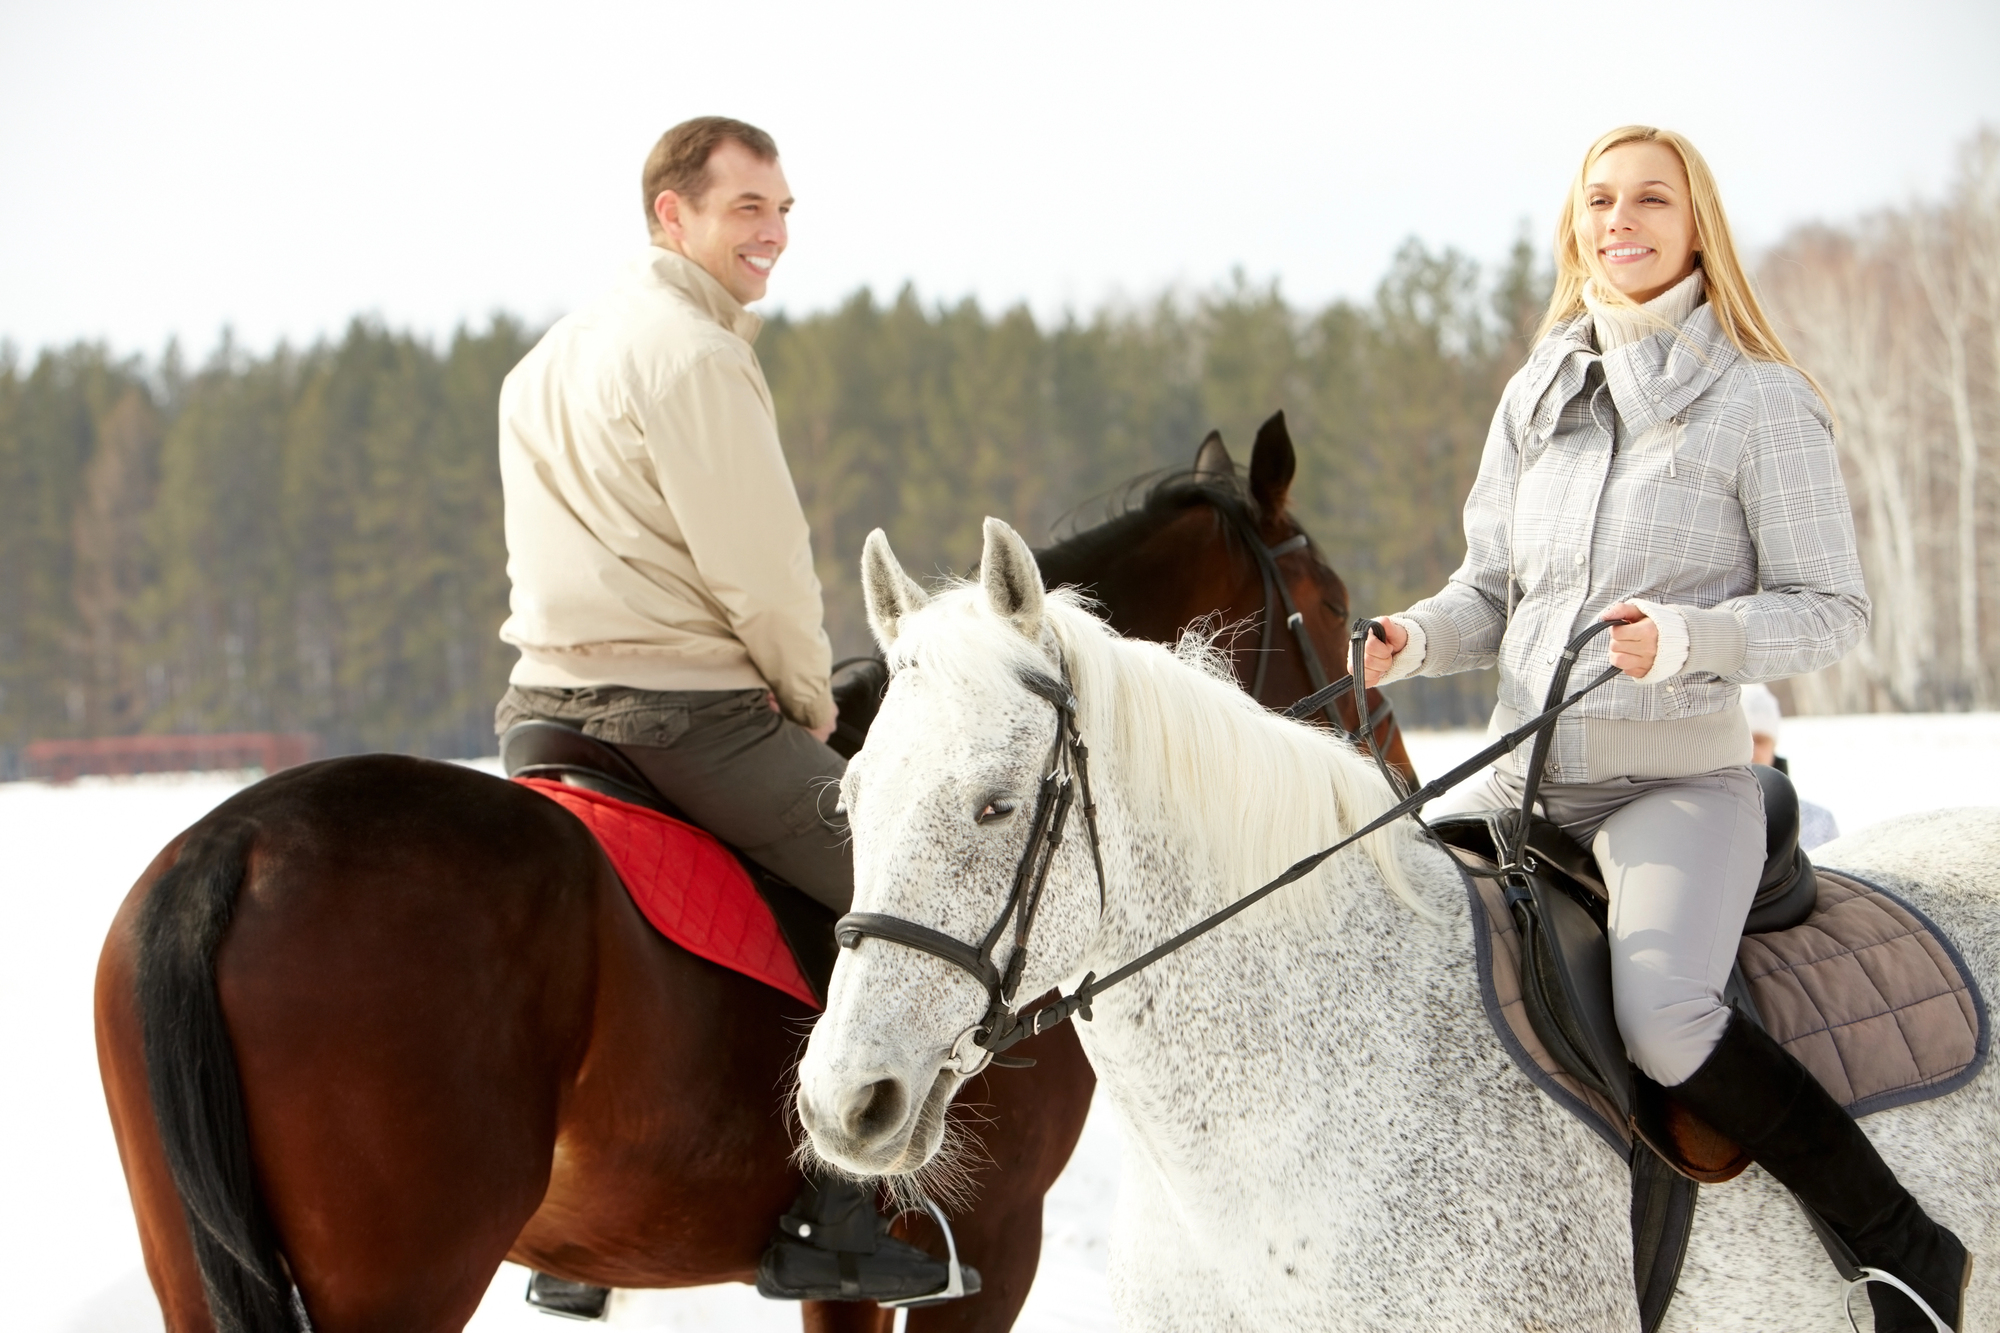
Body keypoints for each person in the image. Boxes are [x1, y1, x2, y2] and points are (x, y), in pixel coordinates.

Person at [1363, 126, 1969, 1330]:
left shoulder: (1758, 399)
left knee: (1665, 1012)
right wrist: (1410, 640)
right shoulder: (1538, 392)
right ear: (1572, 223)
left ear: (1697, 227)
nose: (1619, 219)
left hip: (1671, 791)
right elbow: (1492, 588)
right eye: (1598, 200)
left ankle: (1899, 1245)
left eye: (1650, 198)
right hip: (1517, 790)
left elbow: (1831, 609)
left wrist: (1688, 640)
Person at [493, 116, 963, 1307]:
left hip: (545, 713)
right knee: (908, 904)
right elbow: (759, 568)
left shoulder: (543, 360)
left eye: (785, 209)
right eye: (746, 206)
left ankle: (577, 1255)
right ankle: (840, 1206)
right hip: (683, 720)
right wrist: (806, 700)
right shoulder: (696, 355)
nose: (773, 232)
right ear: (672, 214)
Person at [1741, 682, 1840, 850]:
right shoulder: (1707, 814)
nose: (1751, 750)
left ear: (1774, 746)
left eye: (1759, 740)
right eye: (1743, 739)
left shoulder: (1818, 823)